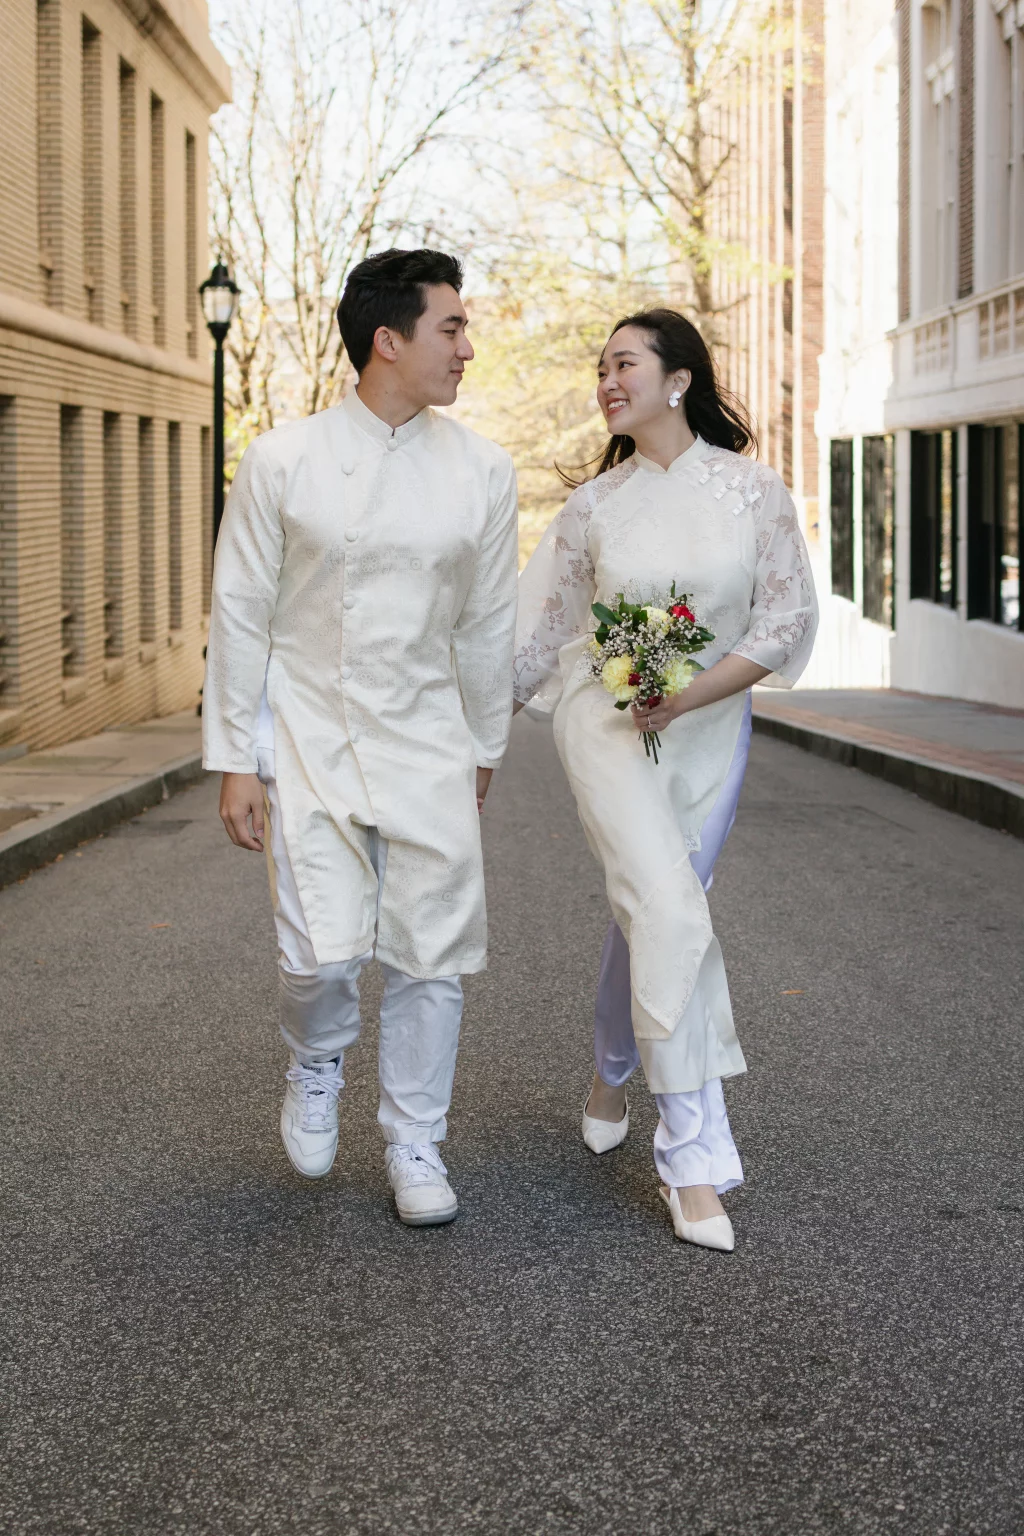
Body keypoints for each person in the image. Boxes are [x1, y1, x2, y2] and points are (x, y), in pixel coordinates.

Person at [202, 248, 519, 1226]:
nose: (469, 346)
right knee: (320, 957)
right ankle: (315, 1058)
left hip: (428, 740)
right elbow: (242, 607)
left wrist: (483, 748)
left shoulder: (482, 471)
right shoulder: (283, 459)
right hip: (306, 738)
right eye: (451, 327)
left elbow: (486, 621)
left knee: (431, 955)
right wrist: (233, 761)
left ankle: (415, 1143)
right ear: (389, 340)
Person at [512, 308, 817, 1251]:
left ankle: (612, 1065)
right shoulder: (594, 507)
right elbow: (534, 640)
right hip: (608, 719)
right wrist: (462, 735)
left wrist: (688, 696)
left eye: (624, 364)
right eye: (599, 368)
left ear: (678, 378)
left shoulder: (753, 492)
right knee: (672, 911)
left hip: (709, 726)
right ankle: (692, 1161)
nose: (605, 380)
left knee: (652, 906)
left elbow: (784, 622)